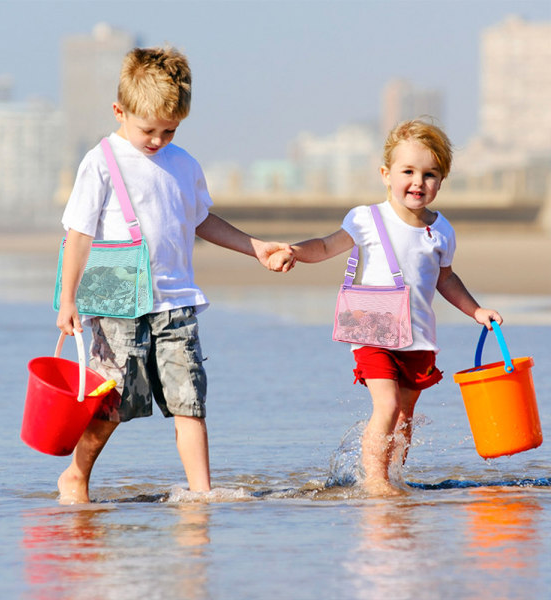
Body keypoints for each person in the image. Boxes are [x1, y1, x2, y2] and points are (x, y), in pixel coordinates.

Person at [56, 46, 292, 504]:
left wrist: (255, 247)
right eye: (149, 129)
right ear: (119, 111)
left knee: (191, 400)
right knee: (114, 400)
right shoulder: (101, 161)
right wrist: (68, 299)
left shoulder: (183, 164)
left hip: (176, 301)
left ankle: (200, 493)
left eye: (170, 130)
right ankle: (76, 474)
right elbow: (78, 233)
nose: (158, 140)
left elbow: (202, 220)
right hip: (116, 301)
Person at [268, 119, 502, 496]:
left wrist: (476, 311)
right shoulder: (366, 219)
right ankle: (375, 481)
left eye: (430, 174)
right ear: (385, 174)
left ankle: (392, 475)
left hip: (419, 337)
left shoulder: (442, 230)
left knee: (405, 416)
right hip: (373, 330)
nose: (417, 182)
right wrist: (295, 250)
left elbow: (446, 279)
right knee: (388, 404)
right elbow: (327, 246)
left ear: (441, 181)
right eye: (407, 171)